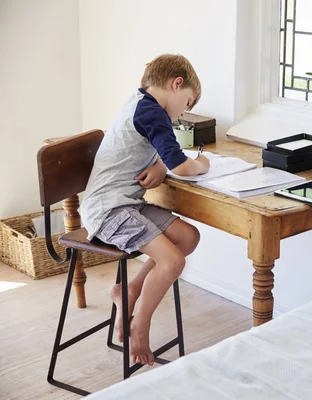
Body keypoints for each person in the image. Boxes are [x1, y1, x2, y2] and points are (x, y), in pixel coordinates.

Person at [81, 54, 210, 366]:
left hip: (125, 204)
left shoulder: (141, 103)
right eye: (188, 103)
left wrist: (161, 165)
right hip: (107, 211)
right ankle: (140, 326)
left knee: (188, 237)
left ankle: (129, 289)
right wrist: (203, 163)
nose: (184, 113)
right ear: (176, 84)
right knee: (173, 261)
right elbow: (184, 165)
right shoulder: (153, 114)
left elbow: (159, 153)